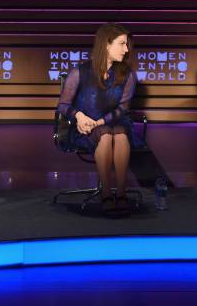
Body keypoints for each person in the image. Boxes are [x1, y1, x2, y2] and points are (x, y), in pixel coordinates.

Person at [57, 23, 141, 215]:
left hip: (116, 123)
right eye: (122, 44)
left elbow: (123, 108)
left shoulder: (127, 74)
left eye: (127, 44)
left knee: (119, 134)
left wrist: (100, 122)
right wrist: (78, 116)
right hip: (85, 127)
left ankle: (120, 193)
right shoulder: (80, 72)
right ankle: (105, 193)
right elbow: (63, 105)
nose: (126, 49)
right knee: (104, 135)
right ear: (106, 45)